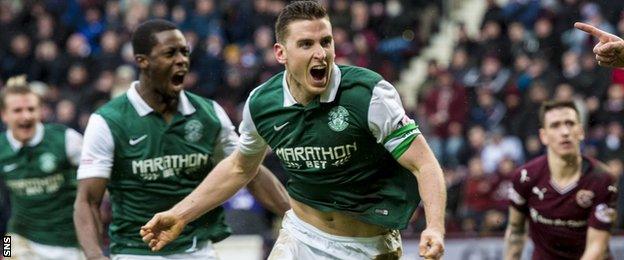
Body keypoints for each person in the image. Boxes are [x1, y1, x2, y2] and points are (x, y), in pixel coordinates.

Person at [140, 1, 447, 259]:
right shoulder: (262, 103)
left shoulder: (369, 94)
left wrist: (434, 226)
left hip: (370, 246)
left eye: (326, 42)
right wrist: (180, 213)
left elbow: (424, 163)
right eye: (306, 44)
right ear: (280, 53)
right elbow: (239, 168)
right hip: (302, 237)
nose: (321, 54)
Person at [74, 19, 290, 260]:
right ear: (142, 61)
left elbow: (250, 171)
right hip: (135, 252)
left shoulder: (209, 114)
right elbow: (88, 200)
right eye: (170, 53)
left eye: (184, 52)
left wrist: (299, 219)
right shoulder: (107, 121)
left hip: (198, 250)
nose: (182, 60)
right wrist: (94, 256)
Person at [504, 100, 618, 260]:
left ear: (581, 131)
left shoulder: (602, 179)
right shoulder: (524, 178)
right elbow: (515, 231)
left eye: (570, 124)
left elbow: (596, 247)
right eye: (555, 125)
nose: (565, 131)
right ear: (543, 136)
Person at [0, 75, 85, 259]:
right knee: (6, 253)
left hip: (67, 241)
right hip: (16, 236)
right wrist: (3, 250)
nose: (26, 116)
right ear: (4, 115)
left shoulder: (66, 139)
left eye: (31, 109)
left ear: (41, 111)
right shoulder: (1, 148)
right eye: (18, 110)